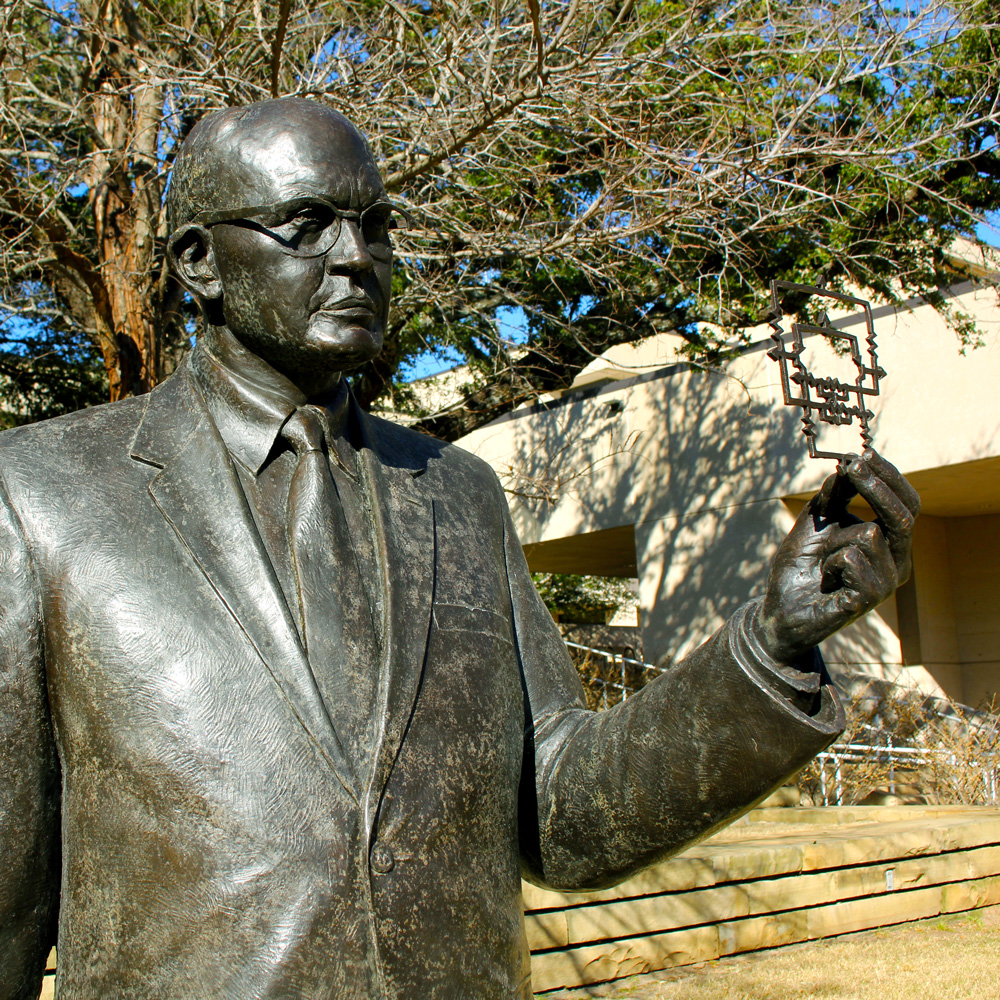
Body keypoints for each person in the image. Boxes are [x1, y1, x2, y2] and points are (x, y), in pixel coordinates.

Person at [0, 98, 918, 1000]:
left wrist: (769, 646)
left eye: (376, 226)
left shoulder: (458, 493)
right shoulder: (44, 494)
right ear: (200, 260)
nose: (356, 258)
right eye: (307, 224)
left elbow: (562, 814)